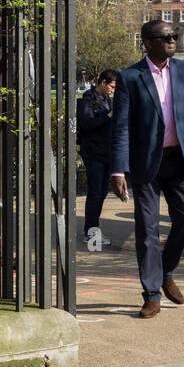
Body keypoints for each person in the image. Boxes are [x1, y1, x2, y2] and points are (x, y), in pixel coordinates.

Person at [110, 21, 184, 317]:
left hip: (179, 160)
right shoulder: (130, 77)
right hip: (145, 163)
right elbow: (120, 128)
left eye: (174, 36)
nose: (172, 40)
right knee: (147, 229)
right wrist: (118, 170)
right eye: (166, 37)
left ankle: (166, 270)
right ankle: (152, 294)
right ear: (147, 43)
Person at [77, 69, 118, 248]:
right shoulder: (88, 99)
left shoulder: (105, 100)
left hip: (105, 152)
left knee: (101, 193)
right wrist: (109, 116)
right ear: (102, 82)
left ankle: (94, 230)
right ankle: (90, 232)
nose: (112, 90)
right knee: (95, 193)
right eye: (111, 86)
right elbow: (86, 123)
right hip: (93, 152)